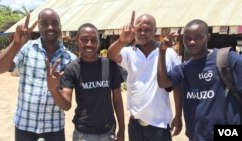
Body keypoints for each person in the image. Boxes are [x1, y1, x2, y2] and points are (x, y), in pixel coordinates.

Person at [0, 8, 76, 141]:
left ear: (60, 26)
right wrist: (16, 44)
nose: (50, 27)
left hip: (54, 129)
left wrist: (53, 89)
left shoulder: (70, 59)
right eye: (44, 23)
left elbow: (66, 106)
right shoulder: (26, 48)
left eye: (54, 23)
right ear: (38, 26)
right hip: (25, 126)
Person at [157, 19, 242, 141]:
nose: (192, 41)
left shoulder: (228, 59)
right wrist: (162, 51)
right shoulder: (184, 69)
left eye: (198, 37)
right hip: (197, 136)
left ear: (207, 37)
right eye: (187, 38)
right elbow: (163, 82)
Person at [107, 11, 182, 141]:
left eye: (147, 29)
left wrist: (178, 116)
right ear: (134, 30)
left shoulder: (169, 54)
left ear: (155, 31)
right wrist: (122, 40)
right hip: (135, 124)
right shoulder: (129, 53)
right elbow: (111, 54)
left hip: (160, 125)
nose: (142, 33)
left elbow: (178, 87)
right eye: (139, 29)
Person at [46, 23, 125, 141]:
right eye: (84, 40)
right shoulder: (72, 68)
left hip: (108, 132)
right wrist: (53, 90)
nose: (89, 44)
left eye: (94, 40)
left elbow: (118, 100)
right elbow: (66, 105)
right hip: (83, 134)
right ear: (77, 41)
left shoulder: (110, 65)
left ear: (99, 42)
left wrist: (122, 130)